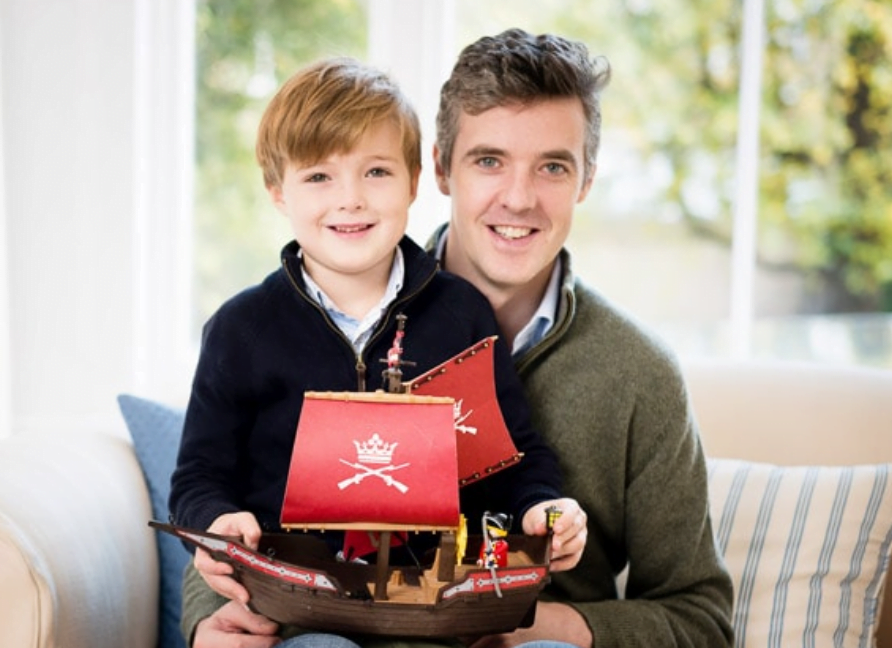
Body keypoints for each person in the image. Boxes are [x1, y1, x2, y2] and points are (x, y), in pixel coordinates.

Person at [170, 57, 588, 648]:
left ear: (415, 181)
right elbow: (198, 475)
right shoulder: (240, 330)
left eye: (376, 172)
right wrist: (216, 523)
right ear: (277, 191)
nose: (351, 199)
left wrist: (543, 509)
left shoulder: (463, 316)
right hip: (295, 614)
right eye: (319, 176)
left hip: (429, 612)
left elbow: (515, 456)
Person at [421, 28, 735, 647]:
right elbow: (243, 522)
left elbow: (700, 620)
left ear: (586, 179)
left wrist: (542, 626)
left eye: (552, 167)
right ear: (440, 168)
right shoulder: (345, 322)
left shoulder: (639, 374)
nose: (519, 199)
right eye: (489, 161)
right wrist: (223, 615)